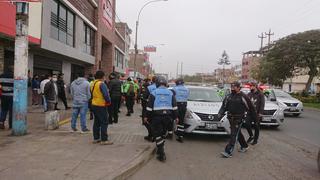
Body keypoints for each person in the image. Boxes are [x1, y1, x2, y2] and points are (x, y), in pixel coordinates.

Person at [218, 81, 257, 158]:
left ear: (239, 87)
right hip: (230, 118)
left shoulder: (243, 97)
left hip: (239, 119)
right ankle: (244, 146)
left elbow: (251, 108)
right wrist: (220, 113)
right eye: (232, 86)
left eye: (234, 86)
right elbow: (224, 106)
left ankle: (228, 151)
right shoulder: (228, 96)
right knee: (237, 133)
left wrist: (255, 119)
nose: (233, 88)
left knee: (233, 134)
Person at [145, 76, 178, 162]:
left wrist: (146, 117)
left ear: (157, 84)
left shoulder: (154, 93)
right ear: (165, 84)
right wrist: (176, 117)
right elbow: (174, 107)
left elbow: (149, 107)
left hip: (156, 117)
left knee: (157, 134)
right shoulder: (170, 93)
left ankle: (161, 153)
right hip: (168, 117)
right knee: (162, 134)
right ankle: (160, 150)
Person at [90, 71, 112, 145]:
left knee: (97, 122)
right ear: (102, 76)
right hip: (101, 105)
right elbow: (106, 95)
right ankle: (104, 140)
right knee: (104, 122)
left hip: (94, 104)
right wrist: (108, 101)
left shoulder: (92, 83)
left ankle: (96, 138)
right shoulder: (101, 84)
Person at [173, 78, 190, 143]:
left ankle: (172, 132)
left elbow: (173, 97)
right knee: (181, 120)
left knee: (175, 118)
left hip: (177, 104)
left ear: (177, 83)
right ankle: (181, 136)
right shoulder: (187, 89)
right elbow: (187, 96)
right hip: (184, 105)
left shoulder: (175, 89)